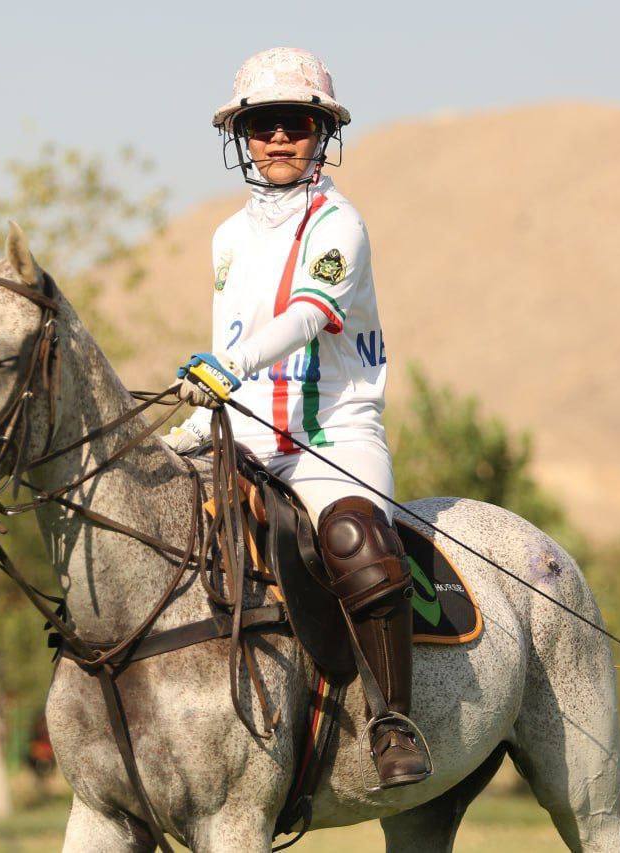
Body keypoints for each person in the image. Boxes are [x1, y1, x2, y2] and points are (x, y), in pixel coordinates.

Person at [165, 47, 430, 789]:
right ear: (241, 137)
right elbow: (225, 347)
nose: (279, 138)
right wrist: (190, 425)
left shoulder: (342, 223)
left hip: (331, 442)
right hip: (245, 437)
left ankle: (394, 722)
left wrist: (231, 368)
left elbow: (311, 312)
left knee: (353, 535)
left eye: (296, 122)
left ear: (322, 132)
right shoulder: (225, 238)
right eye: (262, 124)